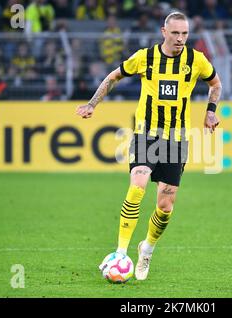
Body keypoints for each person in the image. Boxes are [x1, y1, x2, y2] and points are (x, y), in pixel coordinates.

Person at [76, 12, 221, 281]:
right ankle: (120, 253)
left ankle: (147, 250)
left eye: (185, 34)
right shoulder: (145, 57)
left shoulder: (196, 60)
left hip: (176, 140)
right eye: (175, 33)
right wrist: (92, 104)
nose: (180, 39)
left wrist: (211, 111)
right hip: (147, 135)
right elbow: (113, 76)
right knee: (138, 184)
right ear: (163, 31)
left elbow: (216, 84)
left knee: (165, 206)